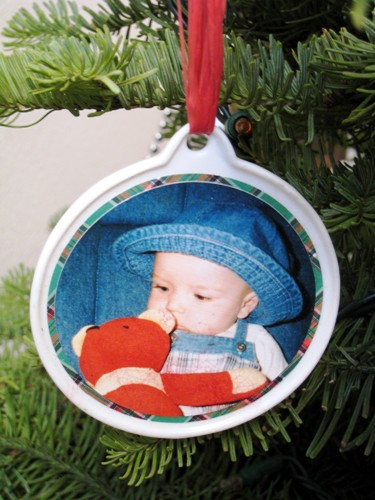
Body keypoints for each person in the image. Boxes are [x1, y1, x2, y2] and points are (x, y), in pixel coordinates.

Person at [113, 202, 303, 415]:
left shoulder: (255, 339)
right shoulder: (145, 333)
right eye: (162, 287)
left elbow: (285, 393)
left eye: (201, 296)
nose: (173, 305)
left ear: (245, 305)